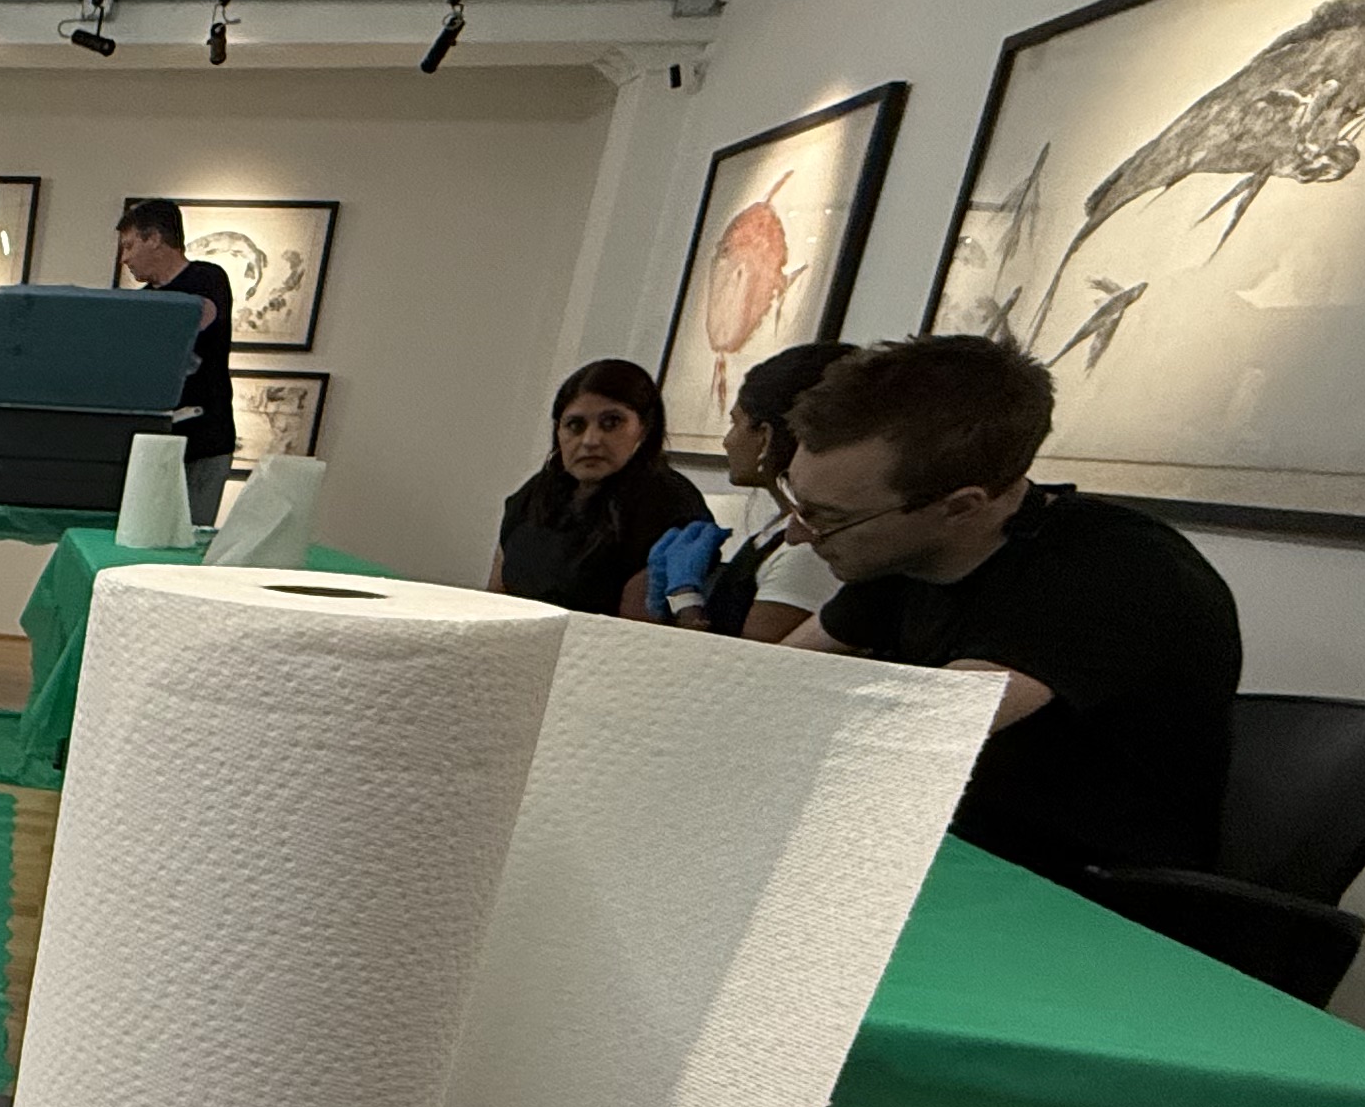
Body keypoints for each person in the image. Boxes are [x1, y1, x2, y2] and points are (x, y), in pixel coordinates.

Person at [785, 334, 1242, 881]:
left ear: (961, 507)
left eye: (827, 516)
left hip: (1090, 901)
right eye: (795, 499)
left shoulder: (1111, 573)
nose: (796, 533)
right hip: (955, 857)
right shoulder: (909, 550)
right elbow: (776, 684)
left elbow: (891, 744)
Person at [644, 340, 851, 638]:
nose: (728, 441)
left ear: (765, 436)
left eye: (736, 423)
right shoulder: (780, 530)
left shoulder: (807, 553)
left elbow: (745, 667)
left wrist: (685, 597)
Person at [486, 358, 708, 612]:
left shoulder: (669, 504)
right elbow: (494, 599)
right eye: (575, 425)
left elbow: (638, 629)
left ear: (644, 429)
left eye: (611, 423)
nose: (590, 440)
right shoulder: (535, 493)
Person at [113, 198, 234, 530]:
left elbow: (193, 319)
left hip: (205, 441)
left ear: (154, 239)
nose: (125, 259)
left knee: (188, 538)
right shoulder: (144, 301)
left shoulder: (207, 278)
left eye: (130, 245)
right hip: (154, 443)